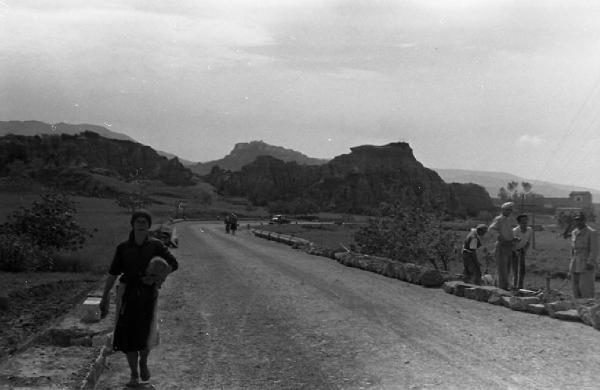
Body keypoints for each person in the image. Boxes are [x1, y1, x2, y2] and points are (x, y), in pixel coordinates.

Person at [99, 210, 179, 388]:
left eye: (145, 222)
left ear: (149, 225)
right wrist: (104, 296)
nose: (141, 224)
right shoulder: (123, 248)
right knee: (127, 334)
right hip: (127, 294)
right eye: (138, 221)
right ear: (133, 224)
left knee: (145, 332)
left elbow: (173, 264)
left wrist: (157, 278)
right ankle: (134, 374)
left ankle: (143, 361)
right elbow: (113, 273)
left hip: (148, 295)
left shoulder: (156, 246)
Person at [488, 202, 517, 290]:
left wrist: (513, 238)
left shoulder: (508, 220)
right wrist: (499, 237)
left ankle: (499, 285)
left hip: (509, 245)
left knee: (506, 268)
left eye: (510, 210)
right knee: (502, 268)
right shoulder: (499, 219)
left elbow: (508, 232)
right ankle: (502, 287)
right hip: (502, 245)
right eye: (507, 210)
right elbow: (491, 229)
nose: (509, 212)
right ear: (503, 210)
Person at [569, 211, 598, 299]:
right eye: (576, 220)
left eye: (580, 220)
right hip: (575, 263)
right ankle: (578, 309)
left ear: (584, 220)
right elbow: (573, 249)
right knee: (575, 287)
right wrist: (571, 264)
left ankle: (588, 310)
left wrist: (590, 262)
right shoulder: (574, 232)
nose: (578, 222)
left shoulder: (591, 232)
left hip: (586, 263)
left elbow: (594, 250)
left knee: (585, 287)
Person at [512, 214, 532, 290]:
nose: (525, 223)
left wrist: (525, 250)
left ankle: (520, 286)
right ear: (519, 223)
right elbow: (511, 243)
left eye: (526, 221)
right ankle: (514, 287)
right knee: (515, 270)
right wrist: (515, 251)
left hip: (522, 250)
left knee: (522, 270)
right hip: (513, 251)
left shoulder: (529, 230)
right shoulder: (515, 231)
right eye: (523, 221)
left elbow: (528, 242)